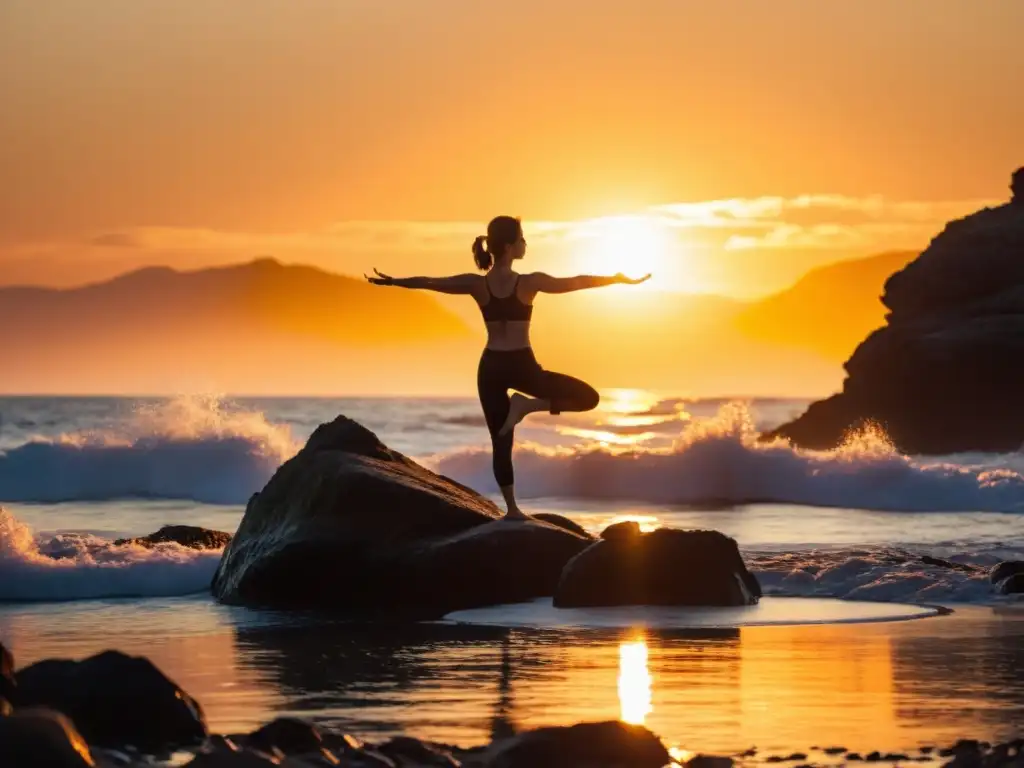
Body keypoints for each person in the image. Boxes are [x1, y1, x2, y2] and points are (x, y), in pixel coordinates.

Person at [365, 215, 650, 519]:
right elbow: (576, 282)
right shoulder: (529, 282)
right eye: (523, 238)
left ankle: (512, 508)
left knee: (501, 441)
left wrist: (394, 282)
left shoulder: (477, 284)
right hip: (522, 366)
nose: (526, 243)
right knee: (588, 398)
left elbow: (431, 283)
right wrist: (616, 278)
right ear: (512, 245)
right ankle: (528, 408)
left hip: (490, 367)